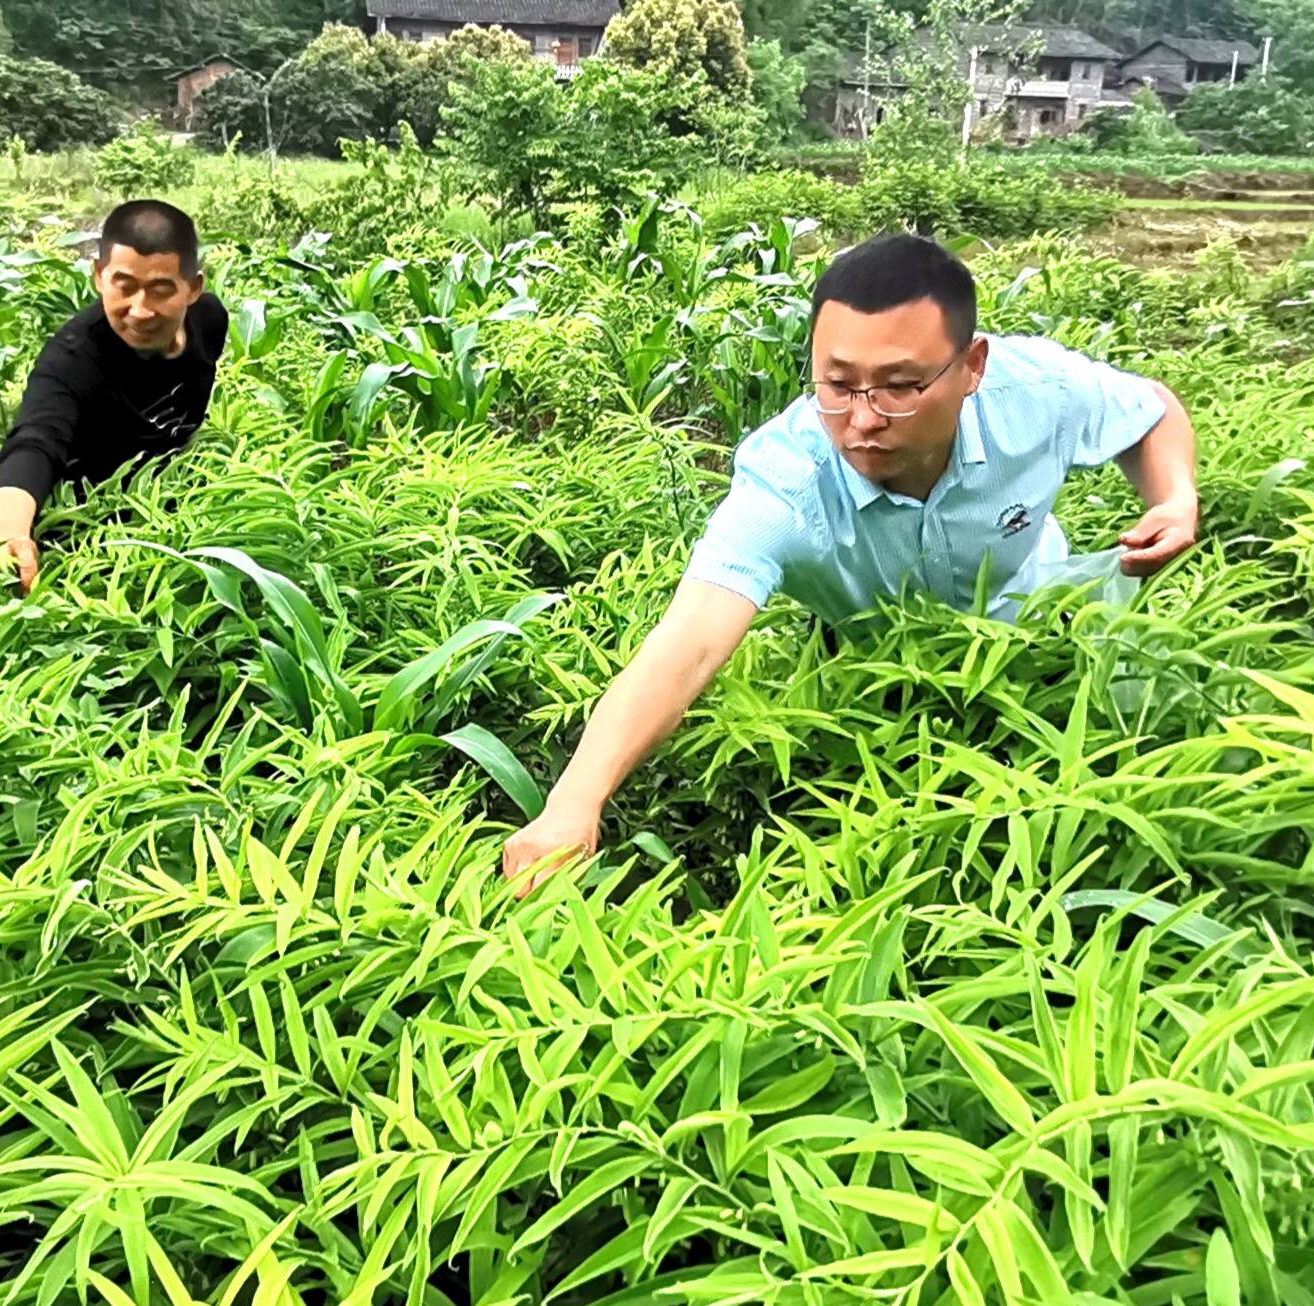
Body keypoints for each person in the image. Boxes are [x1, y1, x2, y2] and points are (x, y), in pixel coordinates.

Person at [501, 231, 1200, 889]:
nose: (863, 419)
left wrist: (1174, 496)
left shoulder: (1040, 392)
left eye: (900, 386)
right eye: (837, 384)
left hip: (1042, 632)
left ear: (972, 367)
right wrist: (574, 800)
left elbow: (1153, 410)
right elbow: (689, 641)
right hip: (876, 679)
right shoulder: (787, 480)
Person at [0, 199, 228, 592]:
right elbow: (36, 439)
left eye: (161, 291)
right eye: (124, 288)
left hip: (171, 515)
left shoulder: (210, 320)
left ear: (193, 288)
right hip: (84, 537)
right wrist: (6, 530)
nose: (140, 311)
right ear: (99, 277)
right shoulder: (73, 358)